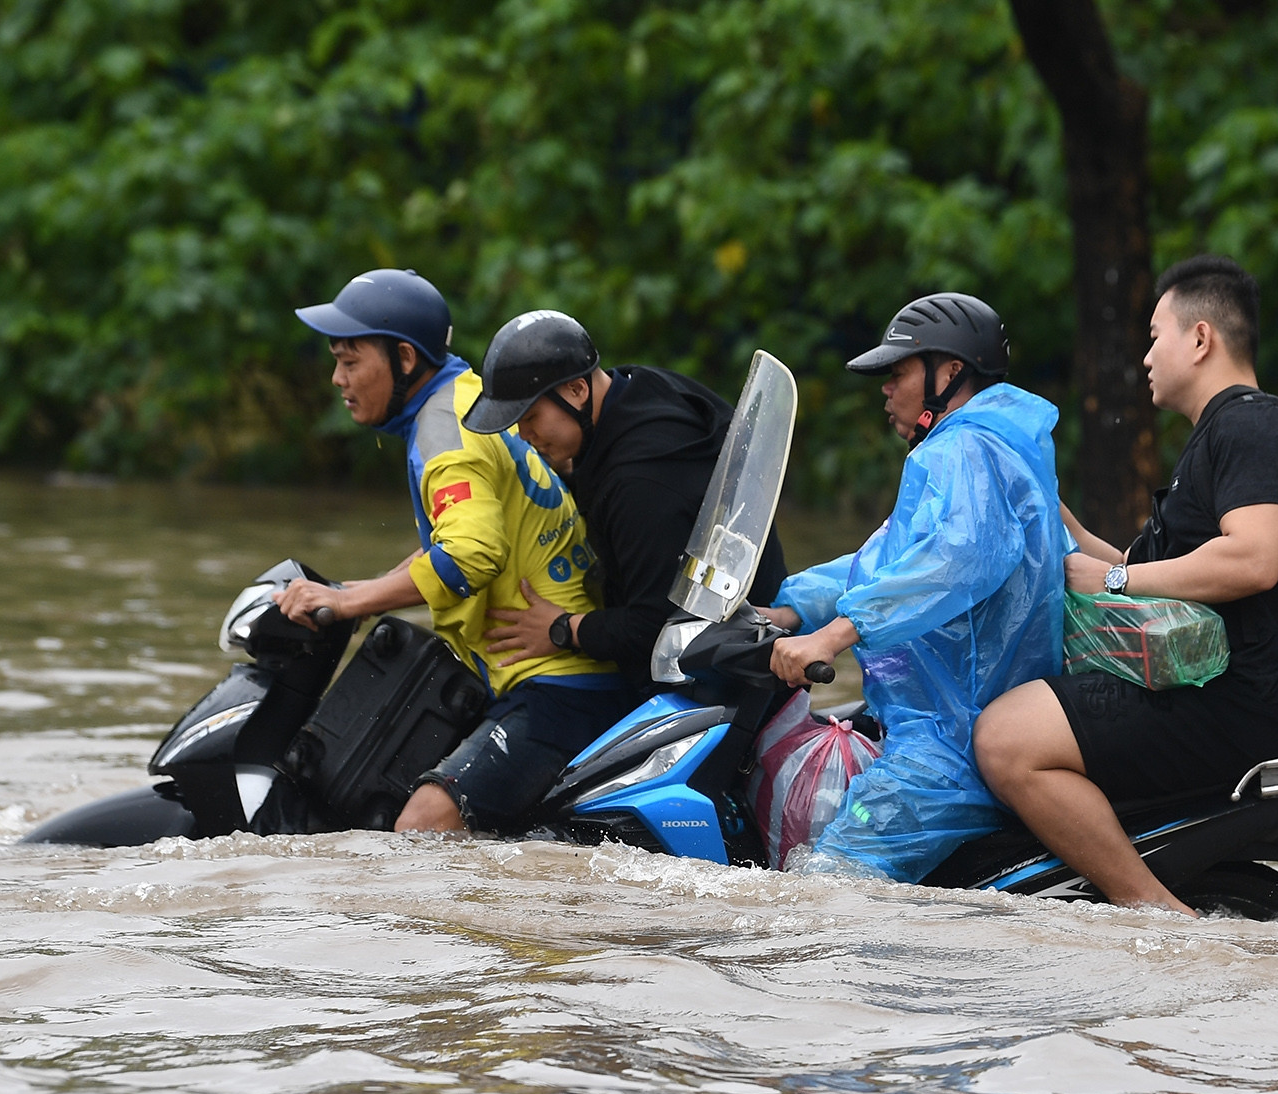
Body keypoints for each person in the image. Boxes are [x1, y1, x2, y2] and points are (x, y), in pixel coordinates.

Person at [974, 254, 1278, 912]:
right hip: (1196, 691)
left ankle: (1158, 917)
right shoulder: (1218, 438)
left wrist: (1114, 578)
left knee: (1004, 739)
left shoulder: (1254, 426)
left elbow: (1255, 559)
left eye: (1156, 335)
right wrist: (1031, 492)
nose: (1145, 357)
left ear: (1200, 339)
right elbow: (1139, 572)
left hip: (1223, 705)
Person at [274, 272, 628, 834]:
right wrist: (348, 591)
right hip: (560, 670)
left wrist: (349, 606)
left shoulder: (443, 430)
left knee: (421, 826)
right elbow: (453, 543)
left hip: (560, 682)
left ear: (405, 359)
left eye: (350, 361)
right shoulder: (466, 397)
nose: (337, 378)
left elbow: (469, 555)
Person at [759, 292, 1070, 883]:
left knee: (822, 889)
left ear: (949, 372)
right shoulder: (981, 446)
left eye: (896, 372)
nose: (885, 389)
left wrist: (834, 635)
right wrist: (787, 607)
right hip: (939, 726)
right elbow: (885, 563)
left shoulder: (967, 447)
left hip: (951, 745)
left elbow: (956, 561)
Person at [466, 311, 787, 678]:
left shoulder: (640, 481)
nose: (523, 435)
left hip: (732, 673)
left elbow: (655, 630)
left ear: (577, 390)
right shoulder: (640, 384)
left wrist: (562, 629)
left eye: (531, 417)